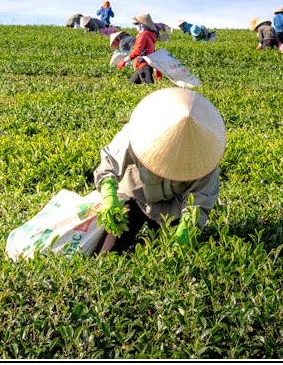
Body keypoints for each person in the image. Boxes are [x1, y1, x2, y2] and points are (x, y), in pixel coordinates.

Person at [93, 87, 226, 253]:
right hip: (135, 196)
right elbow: (109, 163)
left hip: (172, 210)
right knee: (108, 249)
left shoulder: (206, 159)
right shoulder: (136, 134)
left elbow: (199, 202)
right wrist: (109, 195)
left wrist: (186, 230)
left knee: (170, 255)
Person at [117, 13, 161, 84]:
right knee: (131, 85)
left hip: (143, 66)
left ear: (142, 25)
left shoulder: (142, 35)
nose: (136, 26)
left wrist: (124, 61)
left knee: (149, 88)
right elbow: (153, 52)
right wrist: (156, 69)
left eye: (137, 24)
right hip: (143, 66)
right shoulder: (149, 36)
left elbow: (137, 51)